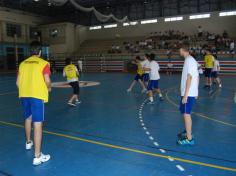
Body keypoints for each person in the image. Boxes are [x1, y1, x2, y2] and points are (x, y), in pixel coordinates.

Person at [16, 41, 51, 165]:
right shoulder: (44, 63)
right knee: (37, 125)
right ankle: (37, 157)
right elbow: (47, 81)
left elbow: (17, 83)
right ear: (40, 52)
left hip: (24, 96)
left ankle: (28, 143)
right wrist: (49, 87)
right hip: (37, 97)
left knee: (27, 119)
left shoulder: (22, 64)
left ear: (30, 51)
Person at [177, 47, 199, 145]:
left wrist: (186, 95)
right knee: (184, 113)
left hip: (188, 93)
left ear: (183, 50)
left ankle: (189, 139)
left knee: (186, 114)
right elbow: (197, 76)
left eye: (180, 49)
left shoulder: (190, 60)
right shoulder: (189, 60)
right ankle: (187, 131)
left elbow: (190, 77)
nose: (178, 51)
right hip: (189, 92)